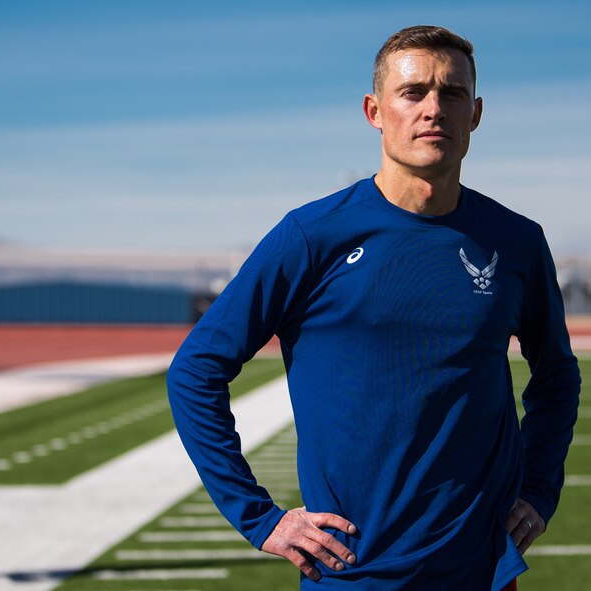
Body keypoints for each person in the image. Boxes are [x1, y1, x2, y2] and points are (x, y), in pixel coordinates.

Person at [167, 25, 581, 590]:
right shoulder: (313, 235)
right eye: (413, 93)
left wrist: (538, 490)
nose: (433, 109)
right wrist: (260, 518)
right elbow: (196, 369)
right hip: (352, 571)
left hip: (480, 569)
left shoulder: (516, 242)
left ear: (476, 113)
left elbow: (556, 377)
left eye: (452, 93)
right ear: (375, 111)